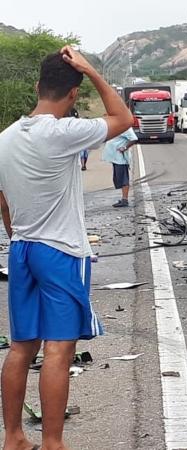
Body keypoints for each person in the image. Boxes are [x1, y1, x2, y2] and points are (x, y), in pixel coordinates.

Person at [0, 46, 132, 450]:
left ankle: (14, 438)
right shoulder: (64, 133)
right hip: (60, 253)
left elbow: (2, 201)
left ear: (38, 86)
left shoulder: (4, 138)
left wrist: (16, 234)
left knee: (22, 347)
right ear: (73, 94)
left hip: (21, 248)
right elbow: (124, 119)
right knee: (59, 348)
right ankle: (54, 444)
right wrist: (92, 71)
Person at [102, 125, 138, 207]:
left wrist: (124, 147)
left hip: (121, 158)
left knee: (123, 179)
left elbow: (134, 138)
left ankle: (125, 200)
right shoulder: (119, 127)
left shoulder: (125, 128)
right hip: (115, 158)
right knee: (119, 178)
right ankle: (123, 199)